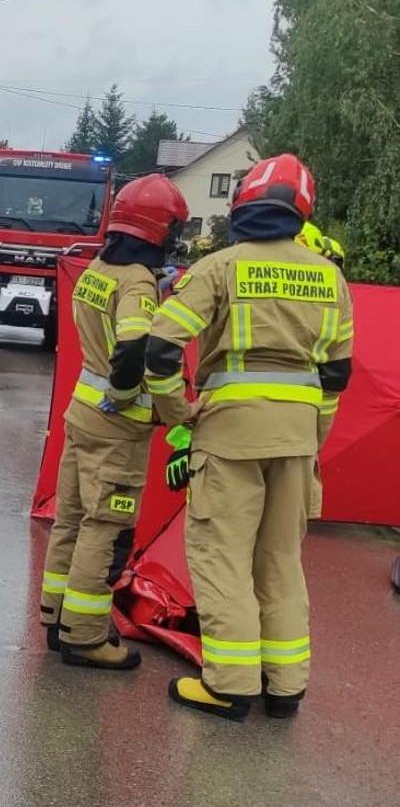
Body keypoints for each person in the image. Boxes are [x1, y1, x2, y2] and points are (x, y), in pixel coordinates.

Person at [145, 153, 354, 721]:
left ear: (244, 205)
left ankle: (231, 683)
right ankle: (285, 688)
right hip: (297, 442)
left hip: (230, 437)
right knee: (281, 561)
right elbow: (336, 375)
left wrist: (178, 412)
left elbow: (162, 350)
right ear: (301, 211)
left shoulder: (220, 268)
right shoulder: (328, 276)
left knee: (222, 559)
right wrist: (314, 436)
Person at [39, 175, 190, 670]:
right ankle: (84, 637)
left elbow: (107, 327)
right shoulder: (136, 281)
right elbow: (131, 347)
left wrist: (157, 288)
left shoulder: (98, 268)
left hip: (81, 418)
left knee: (72, 521)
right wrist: (126, 395)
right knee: (108, 528)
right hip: (117, 429)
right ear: (159, 228)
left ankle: (57, 617)